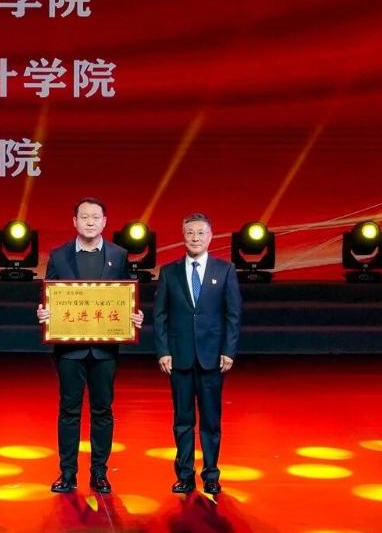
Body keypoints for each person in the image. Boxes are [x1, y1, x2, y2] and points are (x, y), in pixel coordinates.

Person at [37, 197, 144, 494]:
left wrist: (134, 314)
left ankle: (99, 473)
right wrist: (43, 312)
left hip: (104, 348)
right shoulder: (59, 256)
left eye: (95, 217)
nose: (90, 222)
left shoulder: (118, 256)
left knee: (102, 410)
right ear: (75, 221)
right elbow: (48, 295)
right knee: (69, 411)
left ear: (104, 222)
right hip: (69, 348)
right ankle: (67, 473)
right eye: (84, 217)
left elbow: (126, 295)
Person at [152, 213, 242, 496]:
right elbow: (160, 315)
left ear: (210, 237)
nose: (195, 238)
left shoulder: (225, 270)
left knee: (211, 420)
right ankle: (184, 475)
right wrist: (163, 351)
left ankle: (211, 474)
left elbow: (233, 314)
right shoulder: (169, 272)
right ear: (183, 235)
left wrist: (228, 350)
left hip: (212, 357)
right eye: (190, 232)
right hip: (179, 357)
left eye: (201, 233)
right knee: (182, 420)